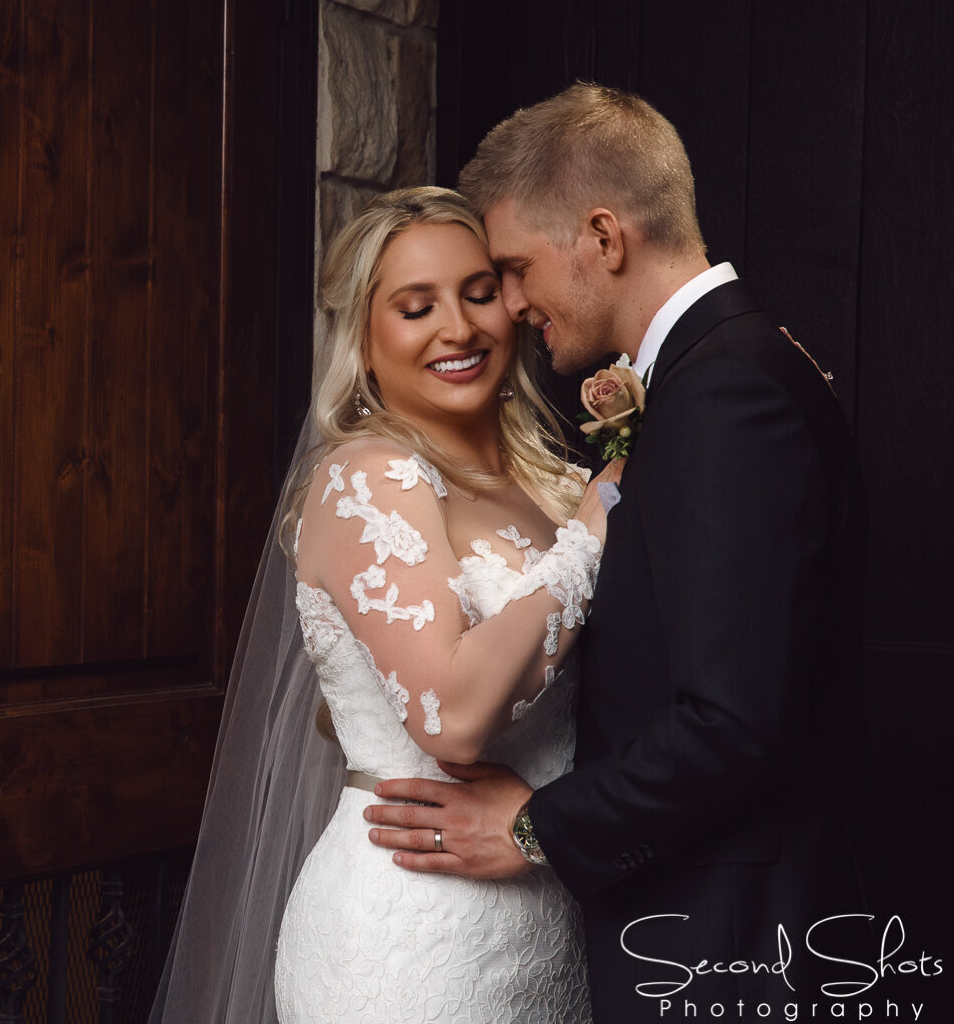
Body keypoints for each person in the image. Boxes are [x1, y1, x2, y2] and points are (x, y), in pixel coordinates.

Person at [362, 84, 867, 1021]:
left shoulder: (723, 398)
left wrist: (533, 825)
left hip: (726, 938)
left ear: (603, 236)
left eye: (512, 269)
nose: (509, 306)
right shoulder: (722, 373)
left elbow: (734, 725)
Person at [151, 185, 615, 1022]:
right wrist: (592, 536)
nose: (460, 328)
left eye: (479, 293)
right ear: (364, 342)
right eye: (415, 306)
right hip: (412, 932)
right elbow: (450, 715)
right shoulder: (370, 477)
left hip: (544, 910)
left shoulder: (551, 488)